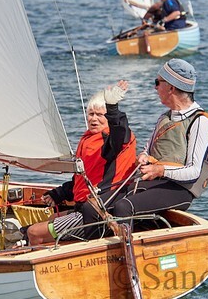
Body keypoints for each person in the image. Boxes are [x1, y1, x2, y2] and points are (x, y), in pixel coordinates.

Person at [80, 59, 208, 236]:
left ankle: (126, 258)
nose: (155, 88)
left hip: (180, 189)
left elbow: (194, 172)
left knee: (124, 207)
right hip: (153, 182)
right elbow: (148, 149)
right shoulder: (164, 118)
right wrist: (144, 156)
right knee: (91, 206)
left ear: (171, 88)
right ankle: (95, 253)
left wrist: (160, 170)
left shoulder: (201, 122)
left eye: (157, 82)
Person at [21, 81, 137, 245]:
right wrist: (60, 193)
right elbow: (86, 179)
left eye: (100, 114)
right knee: (44, 222)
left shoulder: (114, 140)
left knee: (34, 232)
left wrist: (113, 108)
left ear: (108, 117)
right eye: (91, 114)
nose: (94, 119)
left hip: (100, 214)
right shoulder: (89, 139)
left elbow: (119, 132)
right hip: (83, 207)